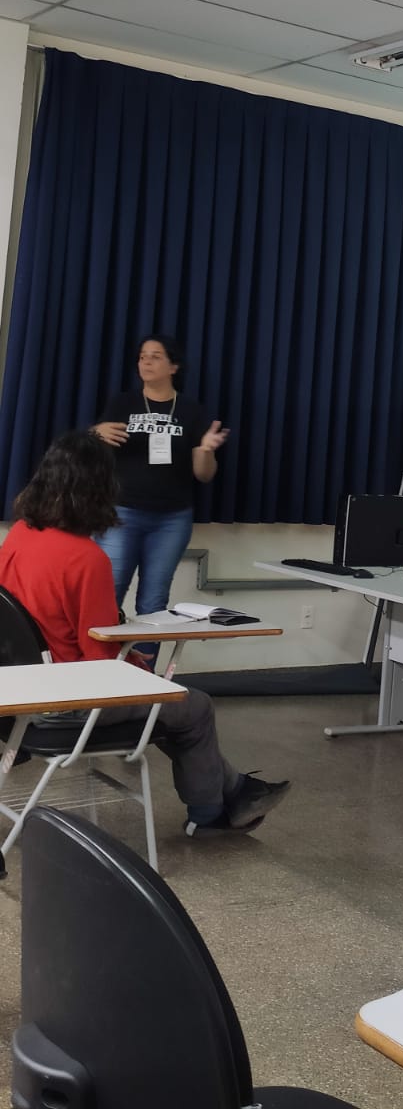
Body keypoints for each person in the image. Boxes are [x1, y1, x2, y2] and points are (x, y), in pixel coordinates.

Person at [0, 431, 289, 837]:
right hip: (68, 701)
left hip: (20, 694)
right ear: (99, 489)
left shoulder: (20, 535)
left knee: (171, 710)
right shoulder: (86, 559)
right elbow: (102, 663)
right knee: (194, 706)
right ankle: (210, 815)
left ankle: (239, 791)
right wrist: (138, 663)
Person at [93, 334, 228, 617]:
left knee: (153, 604)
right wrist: (95, 433)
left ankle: (145, 650)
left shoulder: (192, 411)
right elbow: (90, 453)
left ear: (173, 366)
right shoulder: (122, 404)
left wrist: (205, 450)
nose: (146, 362)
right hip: (121, 513)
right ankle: (99, 648)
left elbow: (204, 475)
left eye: (155, 357)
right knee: (106, 597)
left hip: (171, 520)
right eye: (142, 357)